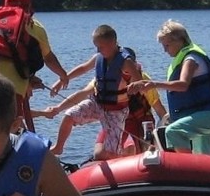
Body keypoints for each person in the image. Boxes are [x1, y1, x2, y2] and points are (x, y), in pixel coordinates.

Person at [0, 0, 69, 132]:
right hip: (8, 85)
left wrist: (29, 78)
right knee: (15, 131)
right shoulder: (33, 25)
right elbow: (48, 58)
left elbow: (0, 54)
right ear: (29, 8)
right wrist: (63, 75)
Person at [128, 19, 210, 155]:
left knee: (173, 132)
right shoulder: (183, 58)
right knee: (204, 154)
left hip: (209, 114)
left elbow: (183, 85)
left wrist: (154, 84)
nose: (164, 50)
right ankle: (205, 174)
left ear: (179, 40)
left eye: (167, 45)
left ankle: (186, 169)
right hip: (203, 113)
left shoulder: (191, 59)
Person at [46, 25, 144, 159]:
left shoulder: (126, 62)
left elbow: (140, 82)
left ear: (113, 43)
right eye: (96, 46)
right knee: (69, 116)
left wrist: (136, 85)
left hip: (116, 112)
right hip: (96, 105)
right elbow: (83, 68)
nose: (98, 49)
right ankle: (58, 147)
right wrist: (63, 78)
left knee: (110, 151)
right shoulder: (98, 58)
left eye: (101, 46)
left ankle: (126, 157)